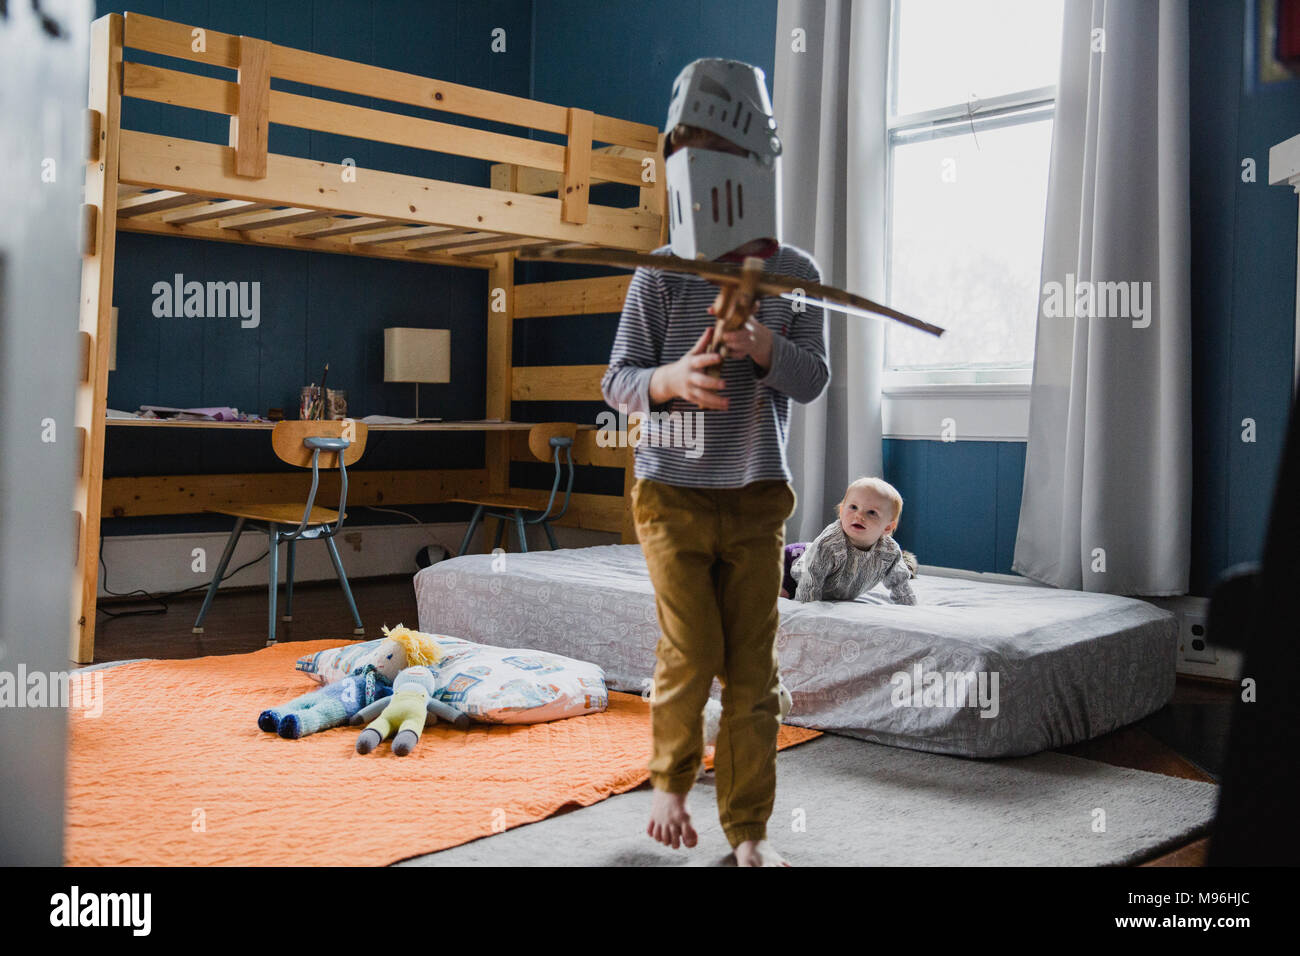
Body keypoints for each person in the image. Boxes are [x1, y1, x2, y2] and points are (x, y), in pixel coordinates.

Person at [601, 58, 829, 866]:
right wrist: (667, 381)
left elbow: (813, 380)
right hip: (672, 496)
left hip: (757, 496)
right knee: (691, 651)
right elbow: (618, 381)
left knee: (752, 674)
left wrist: (764, 344)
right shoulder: (659, 273)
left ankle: (749, 833)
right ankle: (669, 782)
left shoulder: (793, 274)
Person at [784, 477, 918, 605]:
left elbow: (900, 583)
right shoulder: (830, 544)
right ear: (841, 512)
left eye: (871, 512)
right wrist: (807, 609)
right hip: (793, 563)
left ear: (888, 527)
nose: (859, 515)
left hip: (823, 580)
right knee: (780, 595)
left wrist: (909, 606)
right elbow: (811, 577)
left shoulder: (889, 551)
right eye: (853, 507)